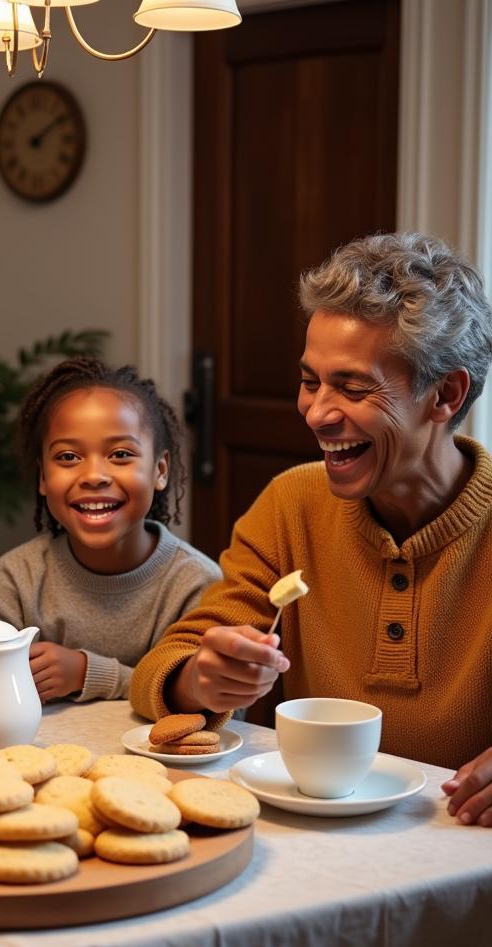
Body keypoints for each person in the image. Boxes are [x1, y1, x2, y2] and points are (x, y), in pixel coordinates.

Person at [129, 232, 492, 827]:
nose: (317, 412)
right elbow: (159, 670)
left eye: (352, 387)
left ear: (445, 394)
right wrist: (201, 679)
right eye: (309, 380)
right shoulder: (291, 504)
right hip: (300, 849)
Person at [0, 357, 220, 703]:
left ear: (160, 470)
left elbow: (220, 706)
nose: (93, 476)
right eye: (68, 457)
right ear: (43, 477)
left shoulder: (195, 584)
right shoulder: (17, 579)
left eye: (120, 454)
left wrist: (89, 673)